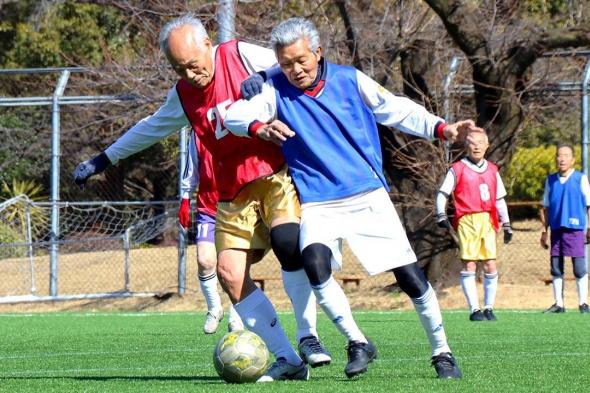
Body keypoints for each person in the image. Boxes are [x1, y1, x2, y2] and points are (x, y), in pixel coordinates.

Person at [72, 14, 331, 381]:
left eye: (194, 65)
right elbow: (149, 128)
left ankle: (309, 337)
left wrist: (268, 77)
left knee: (289, 244)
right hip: (230, 193)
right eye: (181, 69)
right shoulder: (183, 95)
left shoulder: (239, 53)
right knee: (227, 272)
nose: (192, 75)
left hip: (274, 174)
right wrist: (102, 159)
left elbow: (290, 63)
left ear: (209, 45)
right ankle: (288, 359)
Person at [225, 17, 483, 379]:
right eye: (285, 64)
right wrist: (259, 124)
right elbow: (231, 114)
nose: (295, 69)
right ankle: (357, 341)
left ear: (318, 51)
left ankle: (442, 352)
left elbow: (396, 108)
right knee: (313, 263)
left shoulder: (350, 80)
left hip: (367, 194)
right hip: (318, 200)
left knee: (410, 278)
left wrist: (441, 128)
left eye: (301, 60)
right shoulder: (274, 89)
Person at [436, 132, 512, 322]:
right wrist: (441, 214)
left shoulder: (493, 170)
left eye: (480, 143)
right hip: (467, 220)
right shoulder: (458, 169)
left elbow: (499, 199)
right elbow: (442, 193)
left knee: (490, 263)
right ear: (465, 146)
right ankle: (474, 309)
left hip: (487, 220)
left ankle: (488, 307)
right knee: (469, 263)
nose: (476, 146)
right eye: (472, 143)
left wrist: (508, 223)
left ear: (487, 145)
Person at [179, 132, 244, 333]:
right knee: (205, 261)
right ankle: (215, 308)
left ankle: (237, 313)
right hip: (208, 210)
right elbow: (191, 168)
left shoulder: (242, 124)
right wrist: (184, 198)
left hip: (238, 208)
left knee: (235, 266)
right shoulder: (198, 133)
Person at [540, 143, 589, 314]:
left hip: (575, 229)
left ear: (573, 159)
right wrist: (544, 230)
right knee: (556, 267)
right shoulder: (550, 180)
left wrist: (589, 227)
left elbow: (588, 205)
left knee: (579, 268)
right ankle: (559, 304)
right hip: (556, 229)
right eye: (559, 155)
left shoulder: (580, 178)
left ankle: (583, 303)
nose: (562, 159)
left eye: (566, 155)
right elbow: (545, 207)